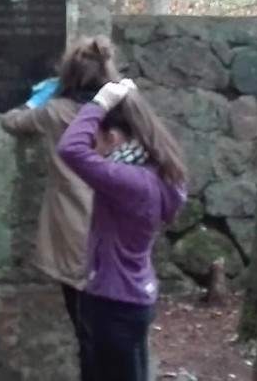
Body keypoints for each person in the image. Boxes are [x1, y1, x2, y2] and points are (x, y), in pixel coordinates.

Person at [57, 78, 188, 381]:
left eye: (97, 141)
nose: (94, 148)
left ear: (114, 137)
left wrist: (99, 104)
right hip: (130, 297)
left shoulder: (130, 181)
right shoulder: (154, 173)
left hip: (113, 304)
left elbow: (70, 149)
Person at [1, 36, 119, 370]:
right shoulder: (121, 110)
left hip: (73, 228)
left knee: (84, 324)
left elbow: (12, 122)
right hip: (116, 226)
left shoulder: (54, 112)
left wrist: (34, 101)